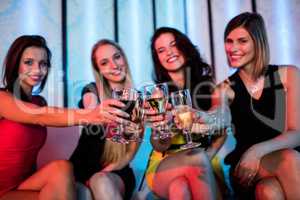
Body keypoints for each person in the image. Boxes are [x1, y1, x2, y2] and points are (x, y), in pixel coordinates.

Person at [0, 35, 129, 200]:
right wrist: (90, 114)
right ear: (15, 63)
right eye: (29, 62)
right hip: (2, 189)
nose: (37, 69)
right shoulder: (2, 98)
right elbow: (38, 115)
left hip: (23, 184)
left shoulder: (39, 101)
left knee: (63, 168)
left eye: (43, 64)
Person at [217, 12, 300, 199]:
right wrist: (201, 119)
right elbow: (217, 117)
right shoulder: (224, 88)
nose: (233, 48)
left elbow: (297, 133)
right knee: (289, 159)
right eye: (229, 41)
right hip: (246, 168)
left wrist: (257, 150)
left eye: (242, 41)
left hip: (287, 162)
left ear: (258, 42)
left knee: (269, 191)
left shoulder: (289, 74)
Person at [144, 27, 228, 200]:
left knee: (180, 188)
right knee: (194, 159)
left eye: (173, 45)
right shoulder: (158, 94)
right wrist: (162, 135)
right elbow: (158, 145)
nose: (168, 52)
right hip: (165, 162)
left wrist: (208, 155)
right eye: (161, 50)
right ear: (158, 59)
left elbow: (222, 128)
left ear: (185, 48)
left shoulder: (209, 88)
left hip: (205, 158)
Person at [70, 39, 143, 200]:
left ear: (124, 58)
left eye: (116, 57)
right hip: (80, 170)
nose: (114, 65)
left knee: (101, 181)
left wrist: (107, 171)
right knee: (84, 194)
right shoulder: (91, 90)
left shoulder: (137, 99)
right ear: (99, 70)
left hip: (116, 171)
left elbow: (131, 151)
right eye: (104, 62)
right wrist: (94, 112)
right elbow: (91, 107)